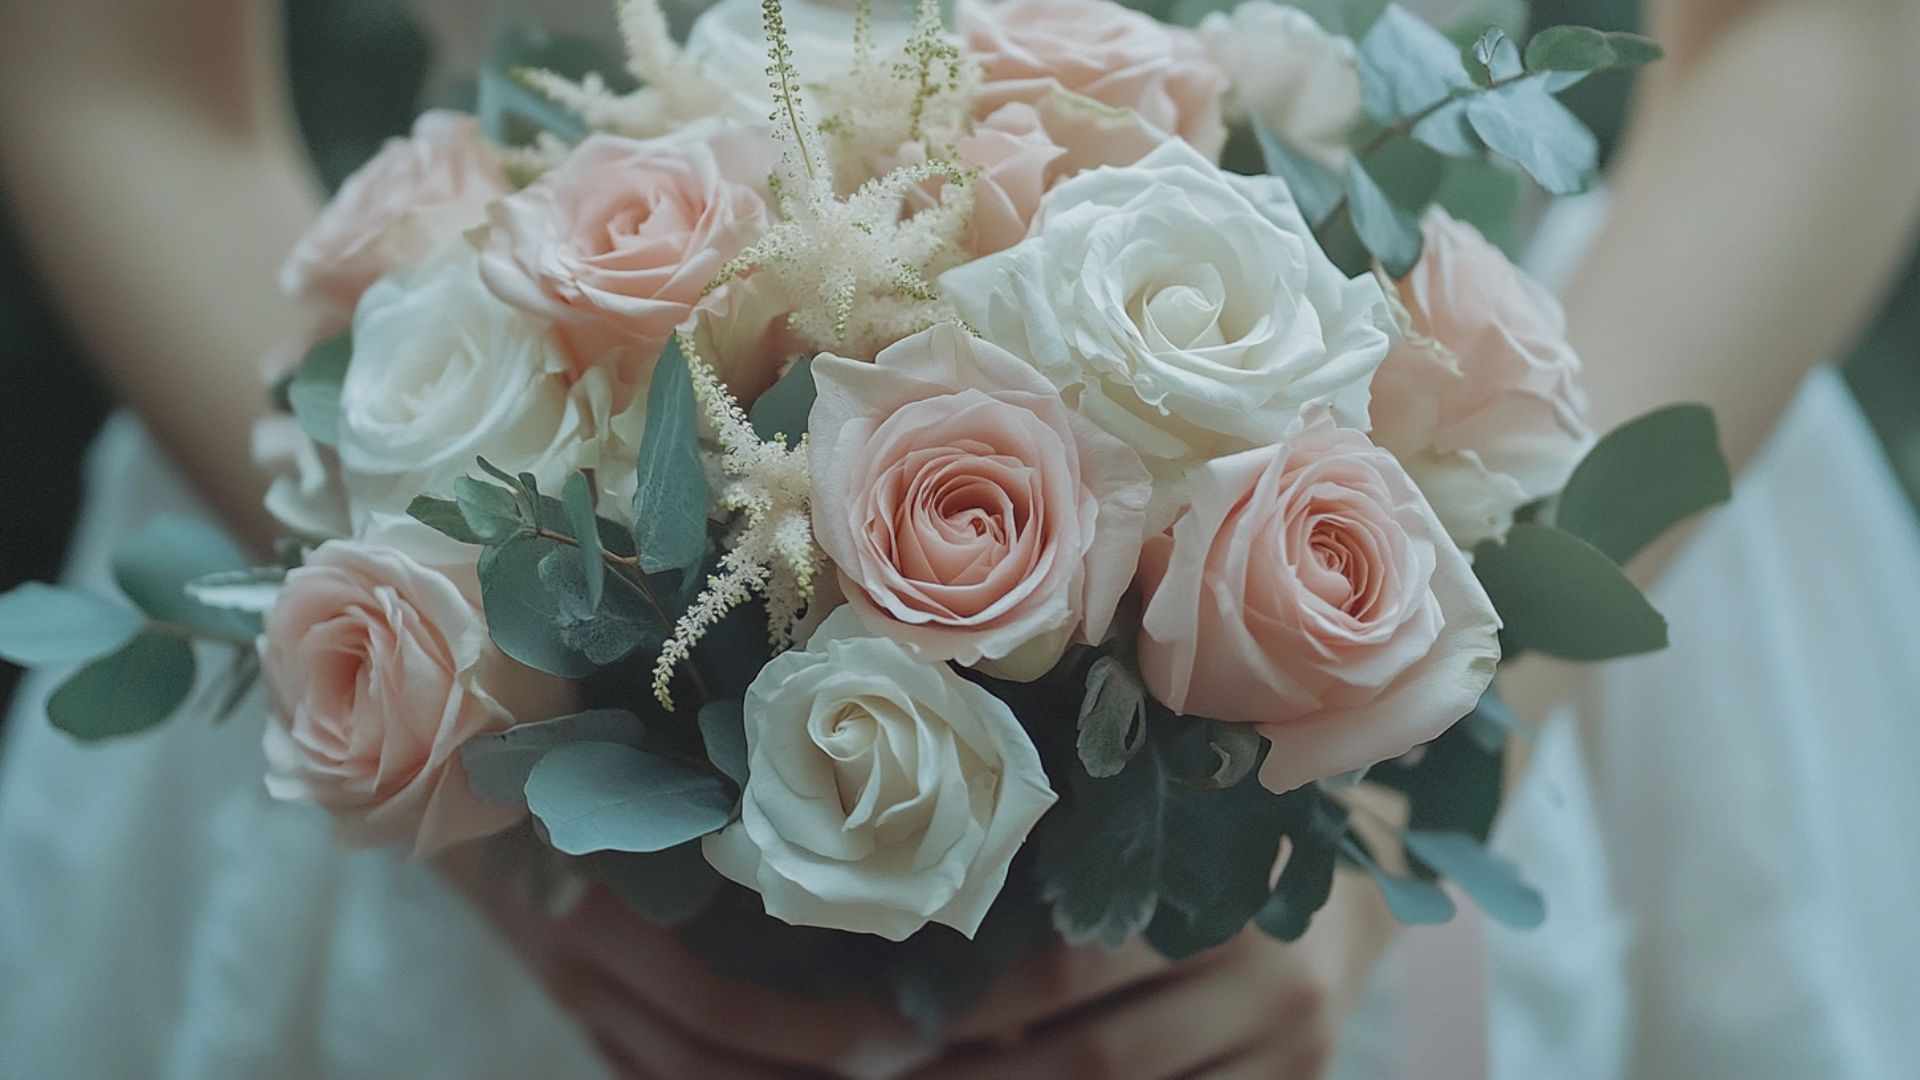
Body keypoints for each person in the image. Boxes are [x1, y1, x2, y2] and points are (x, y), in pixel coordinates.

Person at [0, 2, 1915, 1079]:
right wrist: (495, 770)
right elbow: (112, 75)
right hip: (492, 468)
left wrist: (1377, 759)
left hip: (1453, 464)